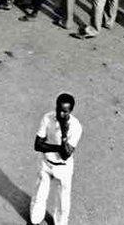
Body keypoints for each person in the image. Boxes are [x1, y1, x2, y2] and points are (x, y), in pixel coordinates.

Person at [29, 93, 82, 225]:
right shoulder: (47, 118)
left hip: (63, 168)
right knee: (39, 194)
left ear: (70, 111)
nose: (60, 114)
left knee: (63, 201)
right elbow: (37, 145)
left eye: (65, 111)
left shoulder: (76, 127)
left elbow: (65, 155)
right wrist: (59, 147)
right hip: (46, 164)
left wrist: (64, 134)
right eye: (59, 109)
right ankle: (35, 220)